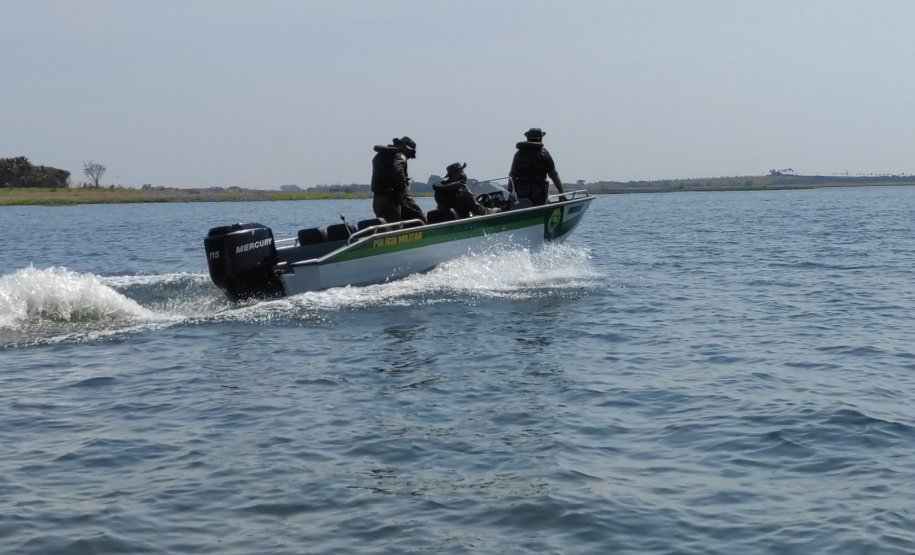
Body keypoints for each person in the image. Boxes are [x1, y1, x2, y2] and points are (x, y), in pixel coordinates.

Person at [371, 136, 425, 223]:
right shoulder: (399, 156)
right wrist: (403, 189)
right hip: (392, 199)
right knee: (396, 226)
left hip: (377, 199)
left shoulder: (379, 156)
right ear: (404, 147)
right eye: (410, 153)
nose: (409, 157)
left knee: (385, 225)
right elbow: (398, 172)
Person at [508, 127, 564, 206]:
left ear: (527, 138)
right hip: (539, 197)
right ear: (540, 138)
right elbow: (553, 175)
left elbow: (512, 176)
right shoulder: (544, 154)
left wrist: (509, 195)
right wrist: (562, 193)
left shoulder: (518, 154)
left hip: (522, 195)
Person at [433, 163, 501, 218]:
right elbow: (478, 210)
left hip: (447, 222)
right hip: (461, 224)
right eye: (461, 172)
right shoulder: (462, 189)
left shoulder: (438, 191)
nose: (463, 174)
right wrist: (493, 211)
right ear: (456, 174)